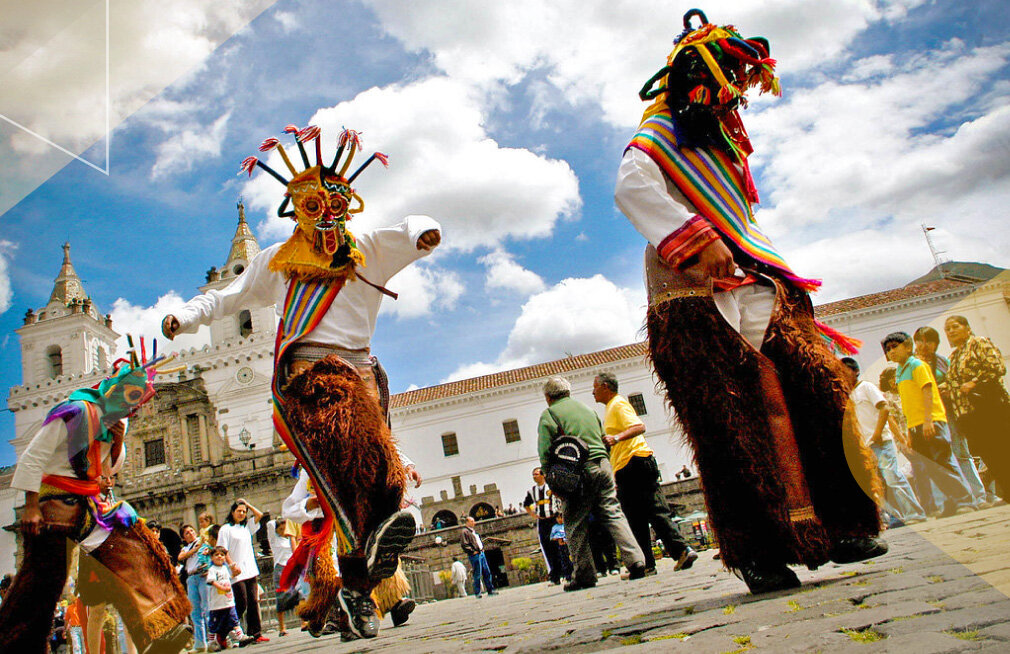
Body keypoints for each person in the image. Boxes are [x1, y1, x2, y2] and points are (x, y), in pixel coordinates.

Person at [613, 9, 885, 593]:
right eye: (727, 78)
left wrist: (739, 247)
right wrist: (695, 238)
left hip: (756, 283)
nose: (733, 94)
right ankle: (758, 552)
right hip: (692, 295)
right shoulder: (660, 131)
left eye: (741, 82)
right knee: (727, 424)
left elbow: (742, 214)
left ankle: (843, 525)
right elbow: (632, 187)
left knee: (818, 392)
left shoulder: (725, 141)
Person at [162, 126, 433, 640]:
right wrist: (185, 317)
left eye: (334, 202)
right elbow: (227, 298)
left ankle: (357, 587)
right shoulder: (278, 263)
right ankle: (364, 568)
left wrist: (425, 232)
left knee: (374, 488)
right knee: (350, 479)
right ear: (298, 208)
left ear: (346, 205)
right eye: (313, 204)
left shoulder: (367, 249)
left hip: (365, 376)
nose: (325, 213)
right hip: (314, 382)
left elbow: (409, 227)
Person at [0, 347, 192, 653]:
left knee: (136, 550)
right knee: (40, 586)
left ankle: (164, 630)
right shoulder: (74, 412)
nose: (132, 410)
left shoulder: (116, 423)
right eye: (131, 400)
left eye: (137, 404)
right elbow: (32, 458)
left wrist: (117, 440)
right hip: (55, 508)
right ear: (114, 391)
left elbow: (111, 468)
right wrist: (32, 506)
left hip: (91, 507)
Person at [537, 377, 646, 591]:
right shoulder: (588, 410)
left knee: (575, 521)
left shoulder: (549, 414)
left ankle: (584, 574)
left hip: (577, 471)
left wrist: (553, 480)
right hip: (603, 464)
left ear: (548, 397)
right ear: (568, 392)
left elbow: (545, 452)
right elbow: (604, 438)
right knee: (613, 512)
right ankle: (636, 560)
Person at [593, 372, 698, 574]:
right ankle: (647, 563)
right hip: (627, 466)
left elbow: (639, 426)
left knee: (653, 511)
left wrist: (616, 437)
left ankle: (681, 549)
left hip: (635, 462)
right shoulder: (611, 407)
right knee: (636, 517)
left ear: (606, 386)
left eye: (595, 387)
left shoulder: (618, 404)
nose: (592, 391)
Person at [882, 332, 974, 516]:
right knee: (931, 467)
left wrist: (928, 420)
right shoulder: (900, 372)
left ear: (908, 346)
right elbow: (908, 404)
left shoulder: (917, 365)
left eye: (895, 346)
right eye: (888, 349)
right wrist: (909, 431)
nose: (891, 351)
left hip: (931, 421)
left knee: (943, 461)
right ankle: (951, 502)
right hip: (915, 425)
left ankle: (965, 500)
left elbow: (927, 390)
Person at [840, 358, 926, 526]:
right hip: (866, 445)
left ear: (855, 371)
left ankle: (915, 512)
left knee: (893, 477)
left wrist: (878, 433)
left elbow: (884, 408)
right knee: (880, 483)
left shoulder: (866, 387)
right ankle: (897, 516)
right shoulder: (848, 395)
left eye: (845, 370)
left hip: (880, 442)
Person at [915, 326, 989, 508]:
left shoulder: (943, 362)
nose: (925, 345)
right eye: (920, 341)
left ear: (936, 344)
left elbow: (956, 381)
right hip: (927, 417)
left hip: (949, 412)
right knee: (938, 460)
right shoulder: (912, 366)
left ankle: (978, 496)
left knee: (962, 454)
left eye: (929, 341)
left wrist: (947, 388)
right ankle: (954, 501)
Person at [943, 315, 1010, 497]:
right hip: (970, 414)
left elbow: (997, 367)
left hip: (990, 405)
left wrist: (974, 382)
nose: (951, 331)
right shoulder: (955, 356)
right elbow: (953, 383)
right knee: (989, 454)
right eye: (947, 329)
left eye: (955, 326)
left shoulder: (978, 343)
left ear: (967, 327)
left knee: (1003, 447)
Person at [217, 499, 268, 643]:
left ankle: (255, 633)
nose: (241, 514)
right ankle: (224, 630)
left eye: (244, 512)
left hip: (250, 569)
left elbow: (260, 515)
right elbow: (222, 549)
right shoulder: (226, 529)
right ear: (232, 512)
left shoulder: (246, 528)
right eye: (238, 511)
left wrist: (247, 503)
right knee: (241, 602)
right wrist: (232, 565)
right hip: (236, 572)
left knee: (253, 601)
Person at [205, 546, 255, 650]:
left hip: (228, 602)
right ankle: (211, 642)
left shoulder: (224, 568)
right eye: (216, 555)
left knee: (234, 620)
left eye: (222, 555)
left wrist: (234, 575)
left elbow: (228, 579)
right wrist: (222, 588)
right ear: (212, 557)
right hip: (217, 604)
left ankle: (240, 636)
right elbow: (212, 582)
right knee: (214, 625)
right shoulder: (212, 570)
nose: (219, 557)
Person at [522, 468, 564, 584]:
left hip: (554, 520)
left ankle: (567, 573)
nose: (534, 476)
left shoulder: (551, 487)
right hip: (543, 522)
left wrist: (560, 515)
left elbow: (560, 499)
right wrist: (533, 515)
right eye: (533, 475)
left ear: (542, 475)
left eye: (536, 474)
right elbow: (526, 505)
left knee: (559, 545)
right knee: (547, 547)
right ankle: (555, 576)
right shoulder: (532, 491)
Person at [179, 523, 213, 651]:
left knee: (207, 608)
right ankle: (200, 643)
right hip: (191, 578)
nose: (191, 533)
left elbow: (212, 551)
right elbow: (180, 557)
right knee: (195, 612)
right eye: (187, 533)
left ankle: (212, 640)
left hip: (202, 576)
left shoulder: (203, 541)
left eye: (192, 530)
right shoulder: (186, 548)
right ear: (184, 538)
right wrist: (194, 549)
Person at [266, 518, 295, 637]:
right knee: (281, 597)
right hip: (280, 568)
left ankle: (304, 622)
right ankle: (282, 627)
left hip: (291, 567)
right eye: (281, 529)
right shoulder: (274, 540)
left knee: (298, 594)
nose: (283, 531)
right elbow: (269, 524)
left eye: (285, 529)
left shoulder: (290, 539)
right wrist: (282, 518)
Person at [460, 517, 497, 598]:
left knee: (486, 572)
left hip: (481, 553)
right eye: (472, 521)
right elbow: (464, 544)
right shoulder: (465, 532)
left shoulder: (472, 531)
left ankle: (490, 589)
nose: (474, 522)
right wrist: (472, 551)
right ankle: (478, 592)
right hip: (475, 555)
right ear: (467, 522)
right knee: (477, 573)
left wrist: (482, 549)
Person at [548, 515, 573, 583]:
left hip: (568, 545)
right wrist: (558, 537)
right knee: (564, 561)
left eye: (561, 517)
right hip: (561, 546)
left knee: (571, 560)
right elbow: (552, 537)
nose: (560, 519)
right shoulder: (555, 527)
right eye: (558, 518)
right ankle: (567, 576)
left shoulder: (566, 525)